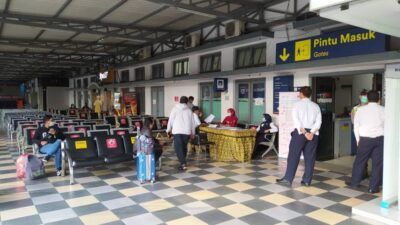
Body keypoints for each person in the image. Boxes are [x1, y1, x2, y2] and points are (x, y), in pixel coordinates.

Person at [276, 86, 322, 186]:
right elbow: (319, 122)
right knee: (310, 158)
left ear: (301, 94)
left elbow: (297, 121)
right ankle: (306, 181)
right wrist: (311, 133)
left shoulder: (297, 105)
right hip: (313, 135)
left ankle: (288, 179)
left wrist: (305, 133)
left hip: (300, 133)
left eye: (299, 93)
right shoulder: (316, 106)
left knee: (293, 156)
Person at [348, 90, 384, 193]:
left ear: (367, 98)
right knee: (377, 163)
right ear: (379, 99)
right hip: (379, 140)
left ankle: (355, 182)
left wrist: (358, 139)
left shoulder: (360, 110)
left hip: (364, 140)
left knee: (360, 161)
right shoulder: (383, 110)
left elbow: (356, 126)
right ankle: (373, 187)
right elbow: (387, 125)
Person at [166, 96, 195, 171]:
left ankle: (183, 163)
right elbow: (192, 123)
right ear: (187, 102)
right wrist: (193, 132)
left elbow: (171, 120)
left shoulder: (175, 109)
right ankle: (183, 163)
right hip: (186, 132)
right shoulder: (189, 111)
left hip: (177, 131)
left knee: (178, 148)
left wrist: (168, 130)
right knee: (184, 147)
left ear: (180, 101)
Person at [350, 89, 368, 155]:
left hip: (368, 132)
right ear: (360, 97)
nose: (365, 98)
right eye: (364, 96)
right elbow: (353, 121)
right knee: (360, 150)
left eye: (366, 97)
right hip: (359, 131)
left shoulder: (370, 108)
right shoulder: (355, 108)